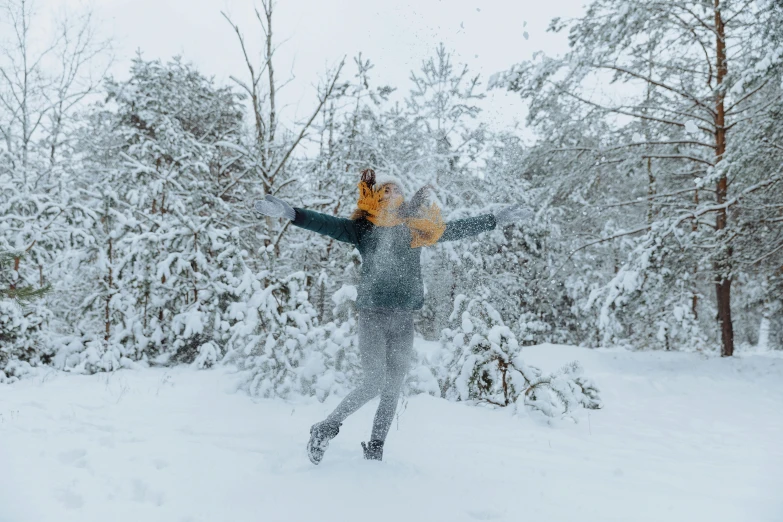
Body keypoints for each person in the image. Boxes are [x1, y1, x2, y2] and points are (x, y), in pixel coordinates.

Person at [253, 169, 528, 464]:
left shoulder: (417, 231)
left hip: (404, 319)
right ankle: (324, 429)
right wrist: (291, 213)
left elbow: (457, 229)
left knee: (394, 385)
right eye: (384, 190)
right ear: (374, 197)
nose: (390, 194)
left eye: (395, 190)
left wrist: (494, 220)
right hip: (373, 315)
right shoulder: (363, 230)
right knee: (374, 381)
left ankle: (375, 448)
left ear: (403, 197)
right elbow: (325, 224)